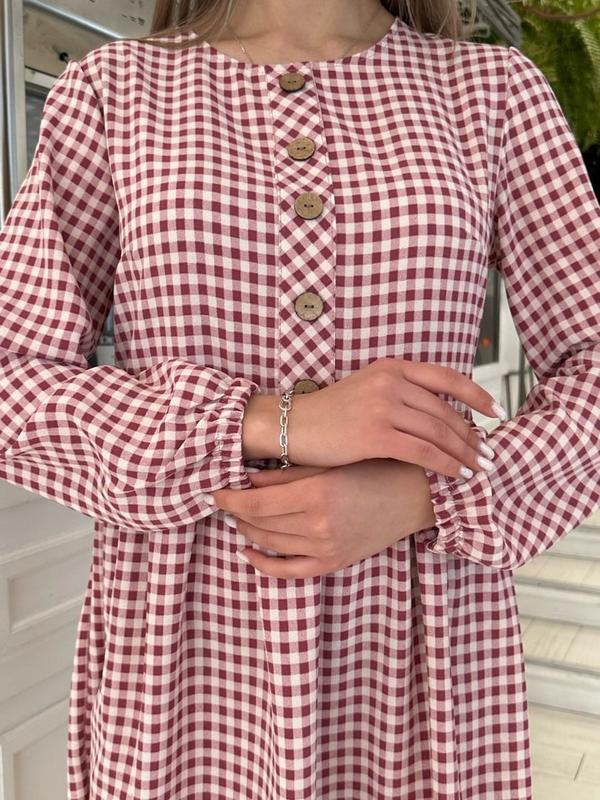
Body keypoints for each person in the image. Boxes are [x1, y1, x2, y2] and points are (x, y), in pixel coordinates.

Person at [0, 0, 598, 797]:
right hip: (183, 668)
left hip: (419, 662)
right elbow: (12, 377)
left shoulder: (492, 92)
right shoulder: (114, 92)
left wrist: (429, 497)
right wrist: (273, 422)